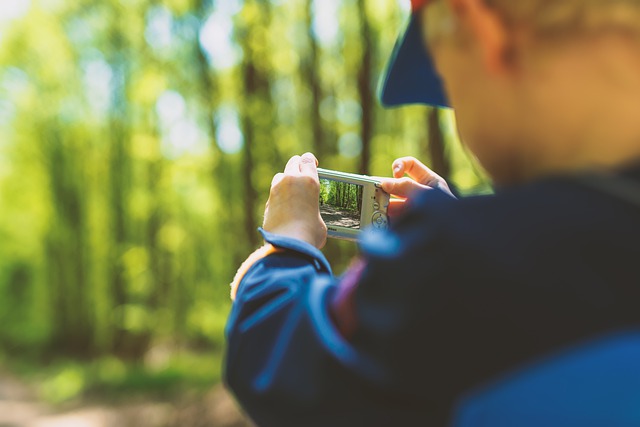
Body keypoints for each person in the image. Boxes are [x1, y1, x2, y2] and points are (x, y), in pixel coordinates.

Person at [225, 0, 640, 425]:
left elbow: (278, 364)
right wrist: (470, 222)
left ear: (483, 32)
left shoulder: (451, 265)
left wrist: (289, 242)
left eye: (448, 82)